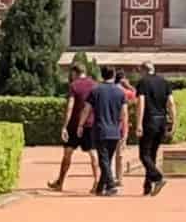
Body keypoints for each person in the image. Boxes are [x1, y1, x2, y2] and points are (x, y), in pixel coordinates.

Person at [49, 62, 98, 192]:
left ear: (74, 73)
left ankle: (60, 182)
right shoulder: (94, 85)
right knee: (93, 153)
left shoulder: (74, 86)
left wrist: (64, 126)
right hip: (90, 124)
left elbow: (70, 106)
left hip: (74, 124)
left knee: (67, 153)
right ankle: (97, 182)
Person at [133, 61, 175, 197]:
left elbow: (141, 102)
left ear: (144, 70)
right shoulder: (164, 82)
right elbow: (171, 103)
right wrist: (173, 121)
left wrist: (138, 124)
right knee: (152, 155)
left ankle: (157, 178)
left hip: (149, 120)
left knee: (144, 154)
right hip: (161, 120)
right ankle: (147, 186)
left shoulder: (143, 83)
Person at [87, 68, 130, 195]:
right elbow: (124, 114)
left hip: (100, 129)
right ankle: (100, 187)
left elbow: (87, 109)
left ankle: (111, 185)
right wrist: (125, 131)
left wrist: (80, 124)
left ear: (102, 75)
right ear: (114, 75)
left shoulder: (96, 90)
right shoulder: (120, 92)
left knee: (103, 160)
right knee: (107, 160)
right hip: (115, 130)